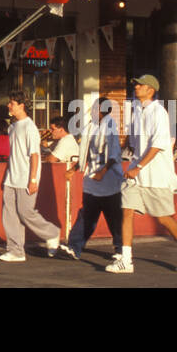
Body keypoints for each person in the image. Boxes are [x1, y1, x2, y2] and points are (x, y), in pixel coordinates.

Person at [107, 75, 177, 274]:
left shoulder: (159, 113)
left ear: (151, 90)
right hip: (136, 173)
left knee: (163, 218)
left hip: (156, 174)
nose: (136, 87)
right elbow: (134, 140)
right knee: (127, 211)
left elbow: (157, 145)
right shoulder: (136, 109)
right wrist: (124, 153)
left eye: (140, 85)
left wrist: (139, 167)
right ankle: (126, 261)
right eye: (135, 84)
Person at [0, 91, 61, 262]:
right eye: (9, 103)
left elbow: (35, 155)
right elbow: (14, 155)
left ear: (21, 105)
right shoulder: (12, 127)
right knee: (9, 214)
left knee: (26, 213)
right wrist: (6, 176)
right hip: (11, 177)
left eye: (12, 103)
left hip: (26, 178)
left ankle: (52, 233)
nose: (9, 106)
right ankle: (16, 251)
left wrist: (33, 179)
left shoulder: (30, 127)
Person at [58, 97, 124, 261]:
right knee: (87, 214)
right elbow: (85, 153)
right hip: (92, 180)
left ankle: (121, 249)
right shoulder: (90, 127)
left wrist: (103, 172)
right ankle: (74, 247)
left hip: (109, 181)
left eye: (97, 108)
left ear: (104, 111)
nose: (93, 111)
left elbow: (114, 154)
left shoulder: (110, 126)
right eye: (93, 108)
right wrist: (74, 169)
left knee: (114, 216)